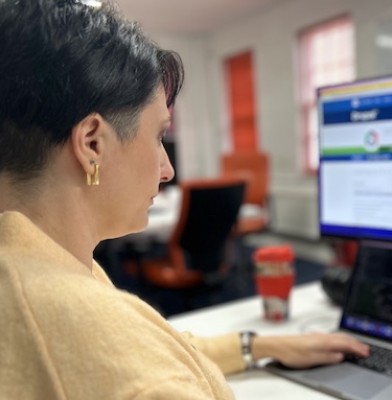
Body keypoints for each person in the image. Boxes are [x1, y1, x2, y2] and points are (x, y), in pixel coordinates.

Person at [0, 0, 369, 399]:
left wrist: (260, 345)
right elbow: (134, 361)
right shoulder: (84, 328)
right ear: (92, 143)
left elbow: (146, 346)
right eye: (159, 136)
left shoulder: (38, 265)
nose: (167, 169)